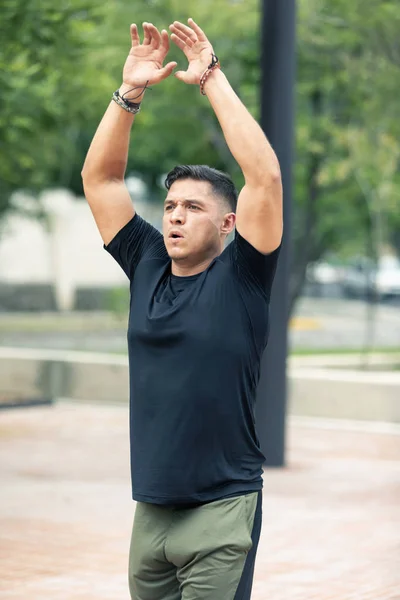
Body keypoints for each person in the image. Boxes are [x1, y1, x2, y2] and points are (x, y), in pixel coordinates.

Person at [82, 17, 283, 600]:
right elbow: (101, 179)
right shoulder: (146, 262)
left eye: (192, 207)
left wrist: (210, 78)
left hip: (222, 510)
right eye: (170, 205)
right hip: (150, 511)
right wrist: (130, 94)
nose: (173, 215)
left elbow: (264, 177)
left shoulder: (244, 275)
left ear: (227, 224)